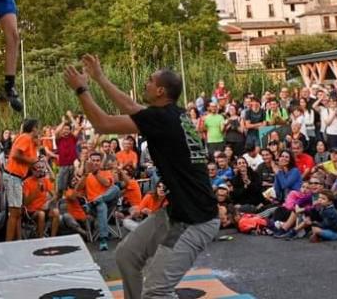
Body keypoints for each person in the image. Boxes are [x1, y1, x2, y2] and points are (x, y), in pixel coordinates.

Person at [64, 55, 218, 299]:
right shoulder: (172, 116)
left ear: (160, 91)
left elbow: (114, 116)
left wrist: (82, 88)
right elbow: (118, 116)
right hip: (178, 212)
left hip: (195, 220)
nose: (145, 84)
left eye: (149, 81)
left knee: (157, 291)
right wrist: (98, 79)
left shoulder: (163, 119)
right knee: (126, 256)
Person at [75, 151, 120, 251]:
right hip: (93, 207)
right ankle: (103, 240)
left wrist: (96, 173)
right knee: (101, 206)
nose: (95, 163)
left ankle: (99, 199)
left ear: (101, 162)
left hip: (109, 205)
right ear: (89, 161)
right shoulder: (87, 175)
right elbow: (77, 189)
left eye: (98, 161)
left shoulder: (106, 172)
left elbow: (107, 184)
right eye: (93, 160)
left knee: (115, 189)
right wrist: (86, 174)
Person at [4, 118, 39, 241]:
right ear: (33, 128)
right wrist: (32, 161)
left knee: (17, 212)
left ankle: (18, 240)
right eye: (37, 127)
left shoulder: (28, 140)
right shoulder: (26, 138)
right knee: (14, 213)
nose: (38, 130)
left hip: (16, 177)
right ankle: (9, 243)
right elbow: (16, 155)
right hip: (13, 176)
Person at [23, 160, 60, 237]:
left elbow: (55, 196)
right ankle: (40, 237)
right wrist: (36, 191)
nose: (40, 170)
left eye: (42, 167)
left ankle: (53, 237)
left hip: (44, 208)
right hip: (32, 211)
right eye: (38, 168)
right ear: (32, 170)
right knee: (41, 214)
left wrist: (49, 202)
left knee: (56, 212)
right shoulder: (27, 182)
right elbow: (25, 203)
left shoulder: (45, 180)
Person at [54, 117, 79, 194]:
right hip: (63, 166)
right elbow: (56, 132)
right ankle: (59, 203)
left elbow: (78, 128)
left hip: (73, 165)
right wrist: (63, 122)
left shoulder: (72, 138)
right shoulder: (59, 139)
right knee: (61, 188)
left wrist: (71, 117)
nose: (66, 131)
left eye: (67, 129)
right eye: (64, 129)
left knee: (73, 187)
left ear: (70, 130)